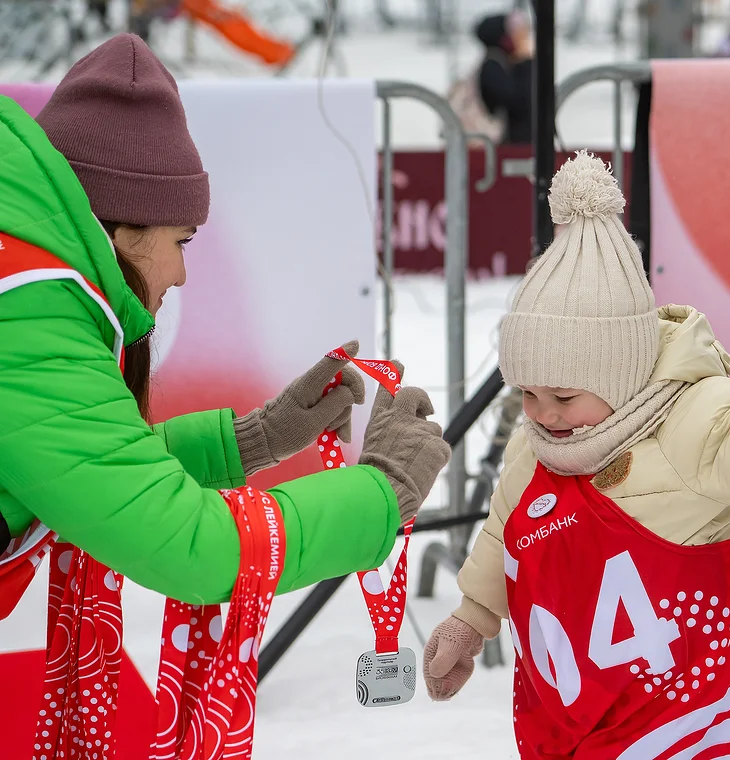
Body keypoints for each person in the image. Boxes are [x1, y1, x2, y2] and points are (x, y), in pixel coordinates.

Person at [0, 34, 451, 614]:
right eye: (181, 241)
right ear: (117, 229)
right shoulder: (30, 313)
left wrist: (251, 441)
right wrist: (384, 492)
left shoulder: (23, 284)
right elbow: (193, 547)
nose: (182, 273)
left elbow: (83, 470)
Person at [420, 152, 730, 757]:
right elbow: (503, 536)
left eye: (565, 396)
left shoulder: (686, 420)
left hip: (683, 720)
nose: (544, 414)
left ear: (621, 374)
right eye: (528, 394)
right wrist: (472, 618)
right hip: (570, 716)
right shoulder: (538, 444)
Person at [474, 10, 534, 145]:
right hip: (504, 147)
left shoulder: (505, 62)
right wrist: (526, 62)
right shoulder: (493, 65)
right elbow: (519, 101)